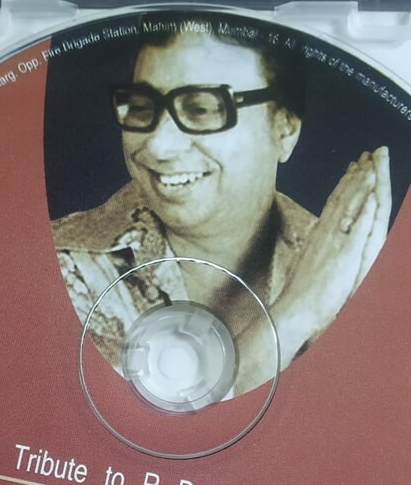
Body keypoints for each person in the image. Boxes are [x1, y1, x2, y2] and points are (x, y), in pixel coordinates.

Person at [52, 23, 391, 396]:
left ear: (285, 130)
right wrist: (296, 313)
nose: (158, 146)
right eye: (142, 107)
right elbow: (154, 430)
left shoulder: (354, 268)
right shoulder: (55, 269)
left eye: (201, 109)